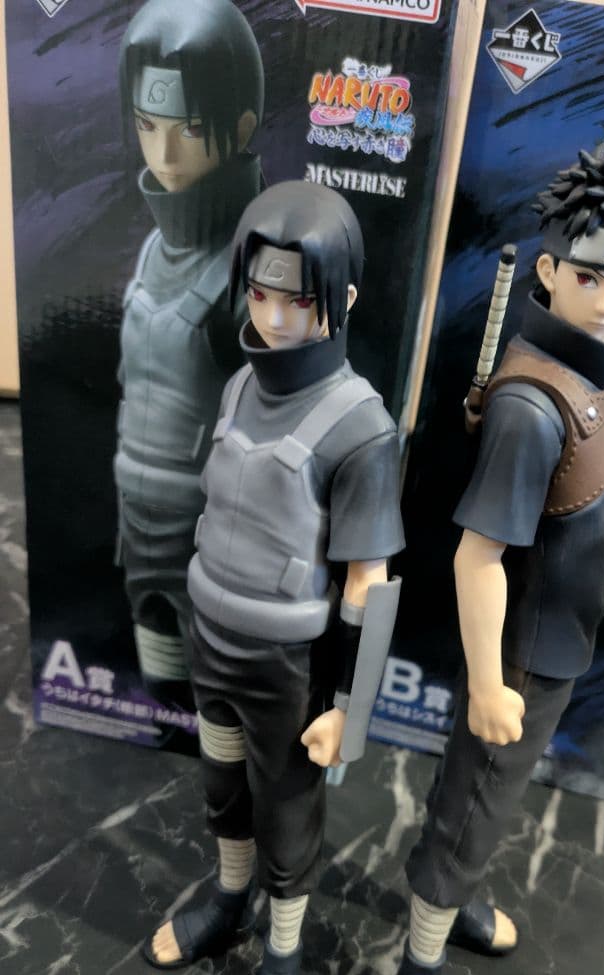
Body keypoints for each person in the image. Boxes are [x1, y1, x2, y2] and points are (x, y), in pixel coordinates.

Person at [390, 148, 604, 975]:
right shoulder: (532, 403)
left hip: (560, 637)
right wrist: (487, 684)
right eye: (590, 277)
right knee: (473, 807)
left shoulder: (593, 366)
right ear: (550, 270)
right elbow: (476, 553)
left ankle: (454, 902)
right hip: (519, 654)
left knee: (492, 798)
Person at [144, 180, 404, 975]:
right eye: (259, 293)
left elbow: (370, 583)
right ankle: (227, 900)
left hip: (287, 665)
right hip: (213, 636)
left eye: (299, 300)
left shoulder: (361, 429)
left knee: (288, 822)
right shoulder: (237, 387)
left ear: (342, 299)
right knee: (222, 788)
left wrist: (350, 709)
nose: (276, 317)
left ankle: (282, 965)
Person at [115, 0, 264, 708]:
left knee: (214, 698)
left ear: (241, 129)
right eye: (148, 126)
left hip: (210, 527)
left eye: (190, 130)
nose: (165, 156)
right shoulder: (153, 249)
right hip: (135, 507)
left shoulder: (255, 267)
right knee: (159, 677)